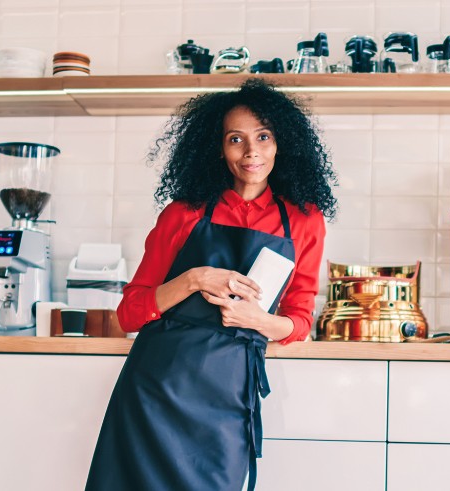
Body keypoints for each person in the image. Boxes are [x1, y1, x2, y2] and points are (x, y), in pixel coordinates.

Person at [86, 79, 336, 491]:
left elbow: (299, 321)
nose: (251, 151)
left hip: (228, 395)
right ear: (219, 147)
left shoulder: (304, 222)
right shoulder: (182, 214)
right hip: (156, 388)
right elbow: (130, 312)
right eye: (236, 139)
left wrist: (257, 319)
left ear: (280, 143)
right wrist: (192, 279)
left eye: (263, 136)